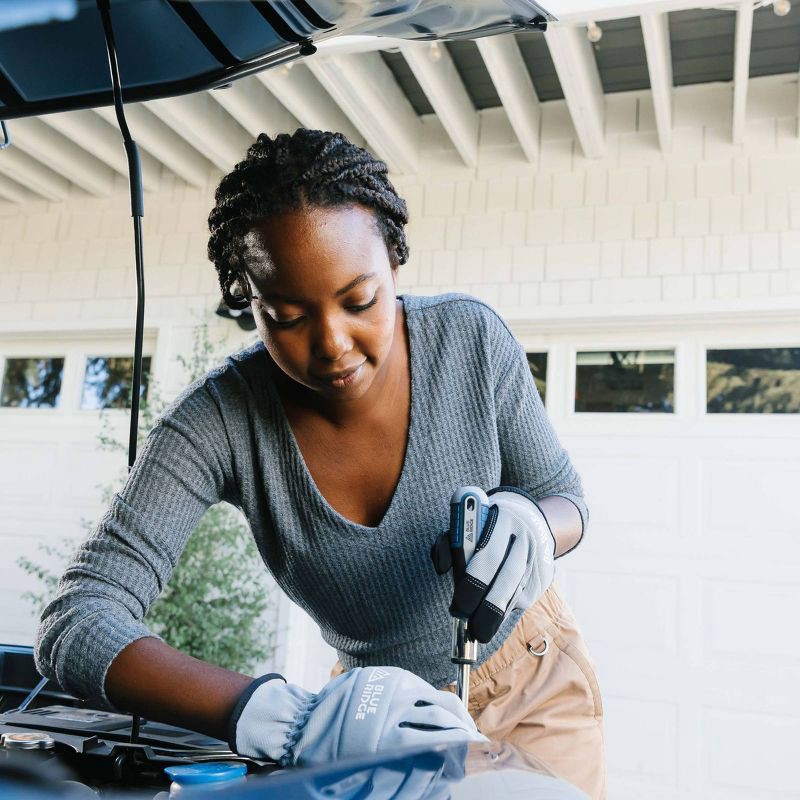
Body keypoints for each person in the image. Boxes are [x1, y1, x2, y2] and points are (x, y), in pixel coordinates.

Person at [35, 129, 605, 798]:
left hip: (531, 681)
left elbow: (565, 499)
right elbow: (76, 618)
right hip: (369, 723)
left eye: (359, 301)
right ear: (247, 301)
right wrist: (282, 716)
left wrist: (538, 522)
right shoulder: (218, 420)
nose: (331, 344)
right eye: (285, 315)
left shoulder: (470, 340)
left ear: (395, 263)